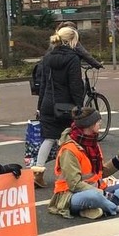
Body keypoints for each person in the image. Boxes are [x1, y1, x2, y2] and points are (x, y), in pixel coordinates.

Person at [48, 106, 119, 220]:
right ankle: (115, 207)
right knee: (94, 196)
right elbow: (74, 185)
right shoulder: (69, 150)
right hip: (70, 195)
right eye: (98, 121)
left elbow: (98, 173)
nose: (100, 123)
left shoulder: (92, 144)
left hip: (98, 189)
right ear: (89, 124)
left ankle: (100, 208)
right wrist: (101, 193)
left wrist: (117, 160)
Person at [34, 26, 86, 170]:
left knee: (49, 138)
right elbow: (75, 85)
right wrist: (79, 106)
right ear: (72, 41)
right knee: (69, 138)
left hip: (48, 104)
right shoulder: (72, 59)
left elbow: (43, 84)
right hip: (66, 106)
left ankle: (38, 171)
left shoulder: (47, 57)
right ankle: (69, 171)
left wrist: (40, 106)